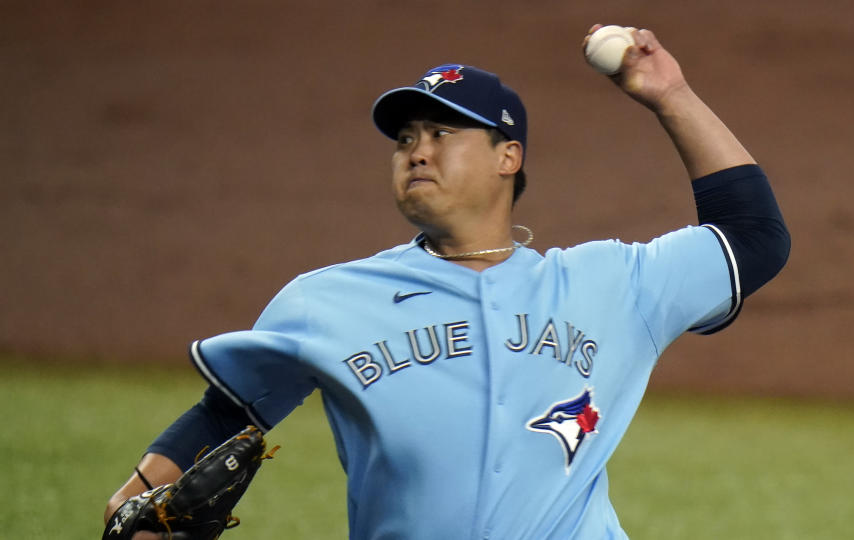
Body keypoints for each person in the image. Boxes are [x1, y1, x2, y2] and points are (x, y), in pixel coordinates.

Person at [104, 25, 790, 539]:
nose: (417, 150)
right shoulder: (327, 301)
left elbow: (754, 236)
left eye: (442, 132)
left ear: (507, 156)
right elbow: (229, 411)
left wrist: (671, 95)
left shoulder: (613, 283)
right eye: (405, 140)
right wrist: (136, 495)